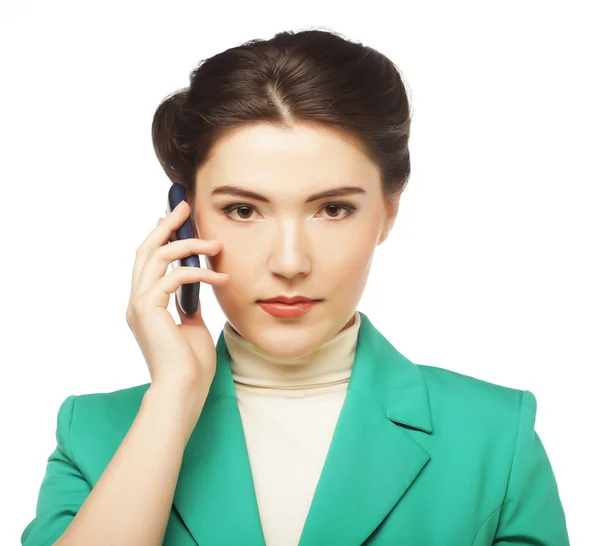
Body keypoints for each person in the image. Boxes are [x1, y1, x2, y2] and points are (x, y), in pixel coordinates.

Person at [21, 28, 569, 546]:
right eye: (242, 209)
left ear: (388, 211)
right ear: (185, 222)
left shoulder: (497, 437)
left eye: (333, 209)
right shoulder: (92, 434)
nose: (289, 262)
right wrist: (173, 396)